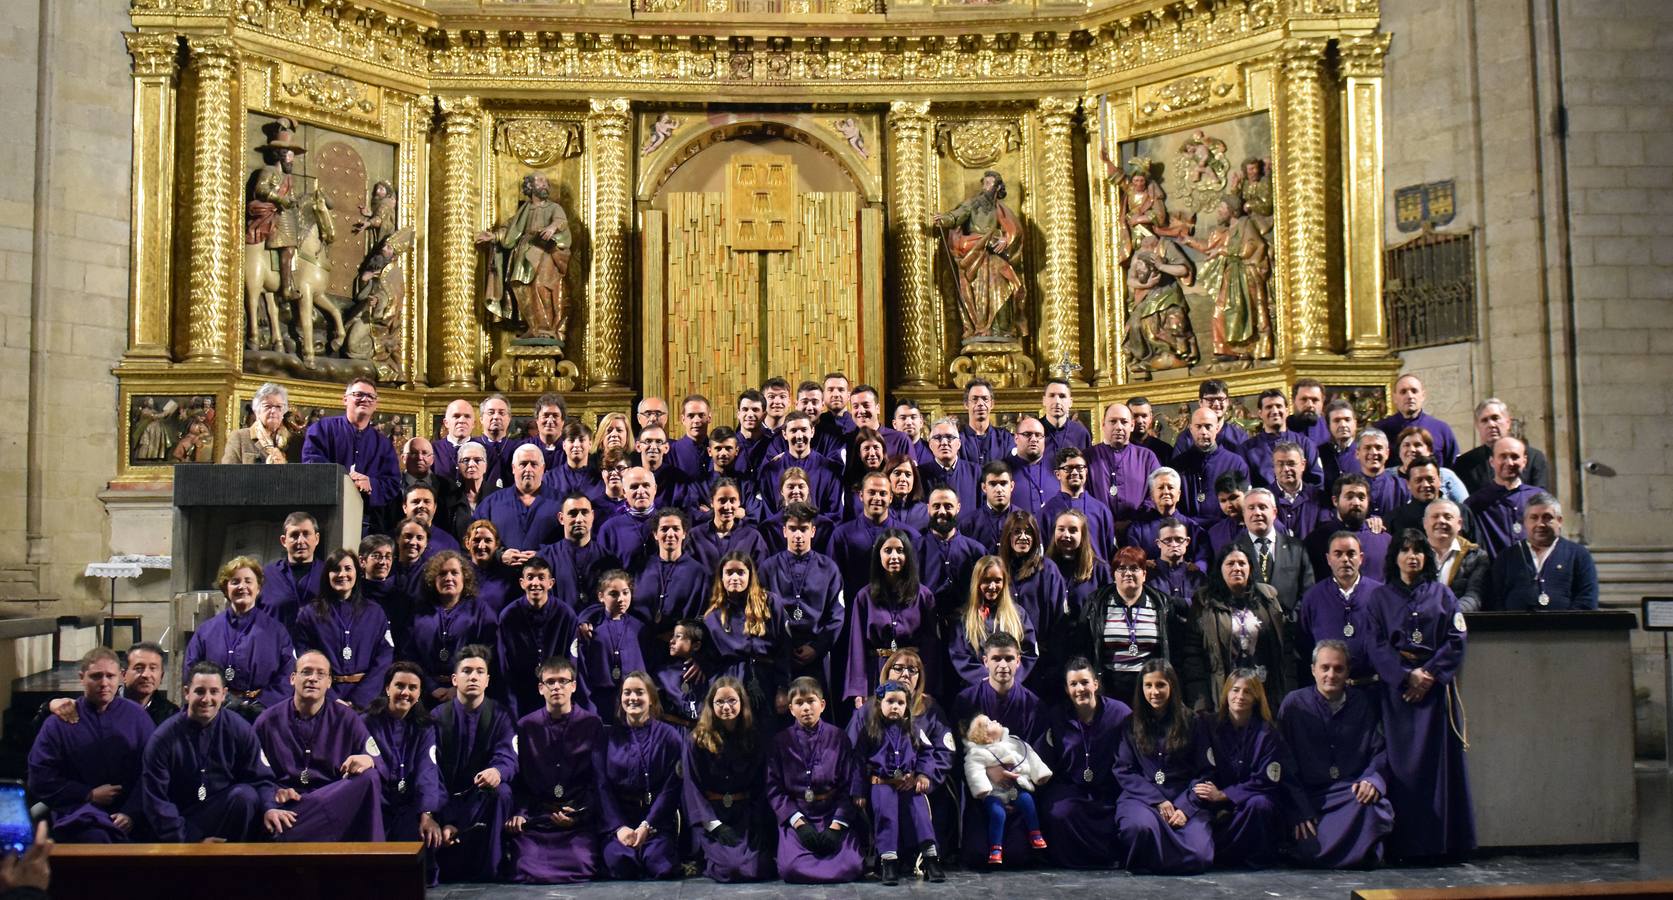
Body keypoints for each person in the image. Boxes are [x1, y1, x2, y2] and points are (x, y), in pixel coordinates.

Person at [1364, 530, 1474, 860]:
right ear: (1394, 556)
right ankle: (1403, 845)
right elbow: (1375, 644)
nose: (1412, 557)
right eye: (1405, 550)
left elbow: (1456, 638)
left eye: (1418, 551)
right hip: (1398, 695)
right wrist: (1404, 676)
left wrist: (1430, 675)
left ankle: (1438, 845)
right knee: (1400, 767)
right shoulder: (1379, 598)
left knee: (1437, 768)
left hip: (1434, 693)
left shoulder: (1443, 595)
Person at [1277, 641, 1394, 869]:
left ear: (1347, 671)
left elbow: (1379, 751)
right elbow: (1283, 764)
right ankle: (1356, 852)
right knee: (1308, 845)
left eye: (1338, 669)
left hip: (1346, 794)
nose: (1331, 675)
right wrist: (1299, 811)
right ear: (1313, 670)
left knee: (1375, 808)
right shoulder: (1293, 704)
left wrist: (1372, 780)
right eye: (1325, 668)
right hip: (1310, 798)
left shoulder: (1361, 703)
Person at [252, 650, 384, 841]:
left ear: (329, 682)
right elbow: (251, 772)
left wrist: (368, 759)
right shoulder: (267, 721)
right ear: (292, 678)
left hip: (332, 801)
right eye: (306, 672)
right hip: (289, 806)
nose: (313, 678)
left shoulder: (347, 718)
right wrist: (272, 793)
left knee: (370, 776)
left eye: (320, 674)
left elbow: (378, 761)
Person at [141, 663, 282, 842]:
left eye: (214, 692)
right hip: (181, 823)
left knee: (245, 796)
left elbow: (261, 778)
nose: (207, 699)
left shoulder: (240, 728)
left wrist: (270, 807)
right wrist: (193, 840)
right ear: (186, 692)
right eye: (200, 691)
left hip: (226, 815)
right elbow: (156, 800)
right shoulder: (163, 738)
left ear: (223, 694)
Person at [28, 648, 156, 842]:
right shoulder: (59, 722)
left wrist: (131, 812)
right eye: (96, 676)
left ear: (121, 677)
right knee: (96, 837)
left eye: (110, 676)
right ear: (82, 677)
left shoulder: (137, 717)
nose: (104, 683)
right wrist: (87, 794)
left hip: (133, 811)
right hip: (78, 813)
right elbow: (40, 776)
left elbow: (153, 769)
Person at [506, 657, 602, 884]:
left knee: (583, 863)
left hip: (576, 818)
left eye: (562, 681)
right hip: (538, 818)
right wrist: (520, 812)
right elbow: (519, 779)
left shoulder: (592, 724)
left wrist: (578, 813)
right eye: (550, 682)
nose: (557, 687)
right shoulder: (526, 726)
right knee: (524, 866)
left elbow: (598, 780)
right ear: (541, 688)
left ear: (574, 685)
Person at [1113, 659, 1213, 874]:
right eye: (1148, 686)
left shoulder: (1193, 722)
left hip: (1183, 797)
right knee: (1139, 828)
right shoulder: (1130, 723)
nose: (1154, 692)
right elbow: (1123, 769)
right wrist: (1157, 800)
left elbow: (1204, 772)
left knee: (1199, 855)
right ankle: (1161, 861)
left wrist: (1186, 808)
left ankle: (1152, 863)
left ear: (1172, 687)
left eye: (1160, 685)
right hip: (1142, 798)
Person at [432, 646, 519, 882]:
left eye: (480, 671)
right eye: (467, 671)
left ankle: (493, 867)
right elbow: (432, 772)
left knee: (502, 792)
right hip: (447, 799)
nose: (473, 676)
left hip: (480, 796)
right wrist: (446, 818)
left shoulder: (501, 714)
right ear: (454, 679)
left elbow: (509, 754)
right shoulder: (438, 717)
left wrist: (497, 771)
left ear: (488, 679)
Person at [766, 677, 863, 883]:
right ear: (791, 709)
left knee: (853, 865)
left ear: (822, 704)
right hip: (799, 814)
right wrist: (799, 824)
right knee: (790, 869)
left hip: (831, 812)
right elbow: (774, 788)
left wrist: (836, 826)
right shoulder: (780, 741)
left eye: (811, 701)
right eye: (799, 703)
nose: (806, 708)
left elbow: (849, 785)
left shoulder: (839, 737)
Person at [1037, 658, 1131, 868]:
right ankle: (1074, 862)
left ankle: (1111, 859)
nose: (1080, 689)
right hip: (1072, 787)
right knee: (1059, 813)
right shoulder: (1056, 717)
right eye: (1073, 684)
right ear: (1066, 688)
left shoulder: (1121, 714)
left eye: (1085, 682)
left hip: (1110, 788)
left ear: (1095, 684)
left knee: (1123, 815)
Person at [682, 677, 775, 883]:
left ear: (742, 703)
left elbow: (762, 784)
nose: (726, 707)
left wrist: (758, 820)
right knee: (732, 868)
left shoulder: (753, 737)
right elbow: (692, 787)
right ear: (711, 705)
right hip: (713, 817)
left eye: (732, 701)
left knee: (757, 867)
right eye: (720, 702)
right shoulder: (697, 740)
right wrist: (714, 825)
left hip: (745, 816)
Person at [593, 671, 683, 880]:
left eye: (639, 692)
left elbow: (671, 788)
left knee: (660, 865)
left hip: (656, 823)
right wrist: (619, 827)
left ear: (651, 698)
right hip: (619, 822)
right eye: (627, 693)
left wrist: (647, 825)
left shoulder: (670, 737)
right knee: (622, 864)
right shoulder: (606, 737)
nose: (632, 698)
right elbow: (601, 787)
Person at [854, 681, 946, 884]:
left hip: (908, 784)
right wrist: (859, 792)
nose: (895, 706)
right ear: (880, 703)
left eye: (900, 703)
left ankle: (931, 860)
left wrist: (922, 775)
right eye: (890, 701)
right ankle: (888, 864)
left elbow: (927, 753)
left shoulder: (913, 729)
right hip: (882, 784)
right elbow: (859, 762)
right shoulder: (869, 731)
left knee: (921, 815)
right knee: (886, 818)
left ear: (907, 706)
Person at [1180, 546, 1292, 712]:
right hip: (1224, 693)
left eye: (1242, 563)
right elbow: (1193, 657)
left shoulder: (1267, 598)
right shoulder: (1204, 603)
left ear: (1250, 568)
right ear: (1220, 569)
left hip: (1266, 692)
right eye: (1230, 563)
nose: (1237, 568)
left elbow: (1285, 649)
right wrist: (1201, 703)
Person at [1195, 670, 1285, 868]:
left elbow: (1266, 779)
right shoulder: (1208, 725)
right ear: (1226, 693)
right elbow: (1203, 765)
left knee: (1260, 804)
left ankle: (1226, 855)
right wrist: (1212, 793)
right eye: (1235, 690)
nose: (1240, 696)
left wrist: (1225, 795)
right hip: (1215, 798)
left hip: (1249, 798)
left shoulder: (1268, 732)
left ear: (1256, 697)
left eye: (1247, 692)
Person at [184, 556, 295, 712]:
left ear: (258, 588)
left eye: (248, 581)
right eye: (235, 582)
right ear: (225, 588)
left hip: (263, 713)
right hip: (216, 711)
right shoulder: (206, 631)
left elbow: (287, 676)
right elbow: (191, 671)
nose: (242, 586)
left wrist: (263, 704)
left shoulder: (277, 631)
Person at [361, 664, 445, 868]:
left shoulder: (425, 727)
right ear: (387, 688)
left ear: (419, 693)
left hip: (408, 802)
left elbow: (427, 769)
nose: (405, 693)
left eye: (412, 688)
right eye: (399, 685)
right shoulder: (366, 722)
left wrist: (427, 814)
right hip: (376, 803)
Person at [843, 530, 938, 706]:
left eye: (900, 551)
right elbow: (857, 646)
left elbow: (931, 646)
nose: (894, 556)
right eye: (888, 551)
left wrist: (927, 685)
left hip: (911, 673)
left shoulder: (924, 596)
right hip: (876, 671)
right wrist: (859, 690)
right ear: (878, 555)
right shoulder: (864, 597)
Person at [293, 548, 394, 709]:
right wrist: (331, 698)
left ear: (357, 573)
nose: (342, 574)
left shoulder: (375, 612)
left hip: (366, 702)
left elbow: (384, 658)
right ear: (327, 575)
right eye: (335, 569)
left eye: (348, 568)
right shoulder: (309, 614)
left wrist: (360, 699)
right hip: (323, 699)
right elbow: (303, 657)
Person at [1079, 546, 1183, 702]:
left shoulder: (1161, 604)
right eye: (1121, 568)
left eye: (1134, 568)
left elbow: (1174, 649)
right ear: (1114, 575)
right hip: (1109, 686)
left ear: (1144, 574)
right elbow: (1084, 647)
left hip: (1150, 687)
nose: (1128, 573)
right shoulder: (1096, 603)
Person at [759, 503, 845, 688]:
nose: (798, 535)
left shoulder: (829, 568)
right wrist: (780, 648)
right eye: (793, 529)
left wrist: (816, 648)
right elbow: (760, 612)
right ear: (784, 531)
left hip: (816, 655)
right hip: (778, 656)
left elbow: (837, 616)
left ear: (813, 531)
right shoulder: (768, 568)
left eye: (803, 529)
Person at [301, 378, 402, 526]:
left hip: (367, 520)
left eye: (370, 397)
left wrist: (370, 484)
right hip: (326, 515)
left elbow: (392, 483)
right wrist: (346, 480)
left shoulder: (384, 444)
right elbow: (311, 464)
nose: (365, 399)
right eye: (358, 394)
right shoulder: (322, 429)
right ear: (345, 400)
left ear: (376, 404)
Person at [702, 552, 791, 718]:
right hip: (729, 684)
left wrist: (783, 688)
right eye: (729, 573)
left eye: (741, 572)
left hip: (766, 679)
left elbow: (783, 649)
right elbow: (709, 660)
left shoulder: (770, 604)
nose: (735, 577)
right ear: (721, 577)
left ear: (751, 576)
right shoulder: (713, 616)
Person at [404, 551, 497, 703]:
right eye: (442, 574)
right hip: (425, 693)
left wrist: (459, 686)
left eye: (454, 573)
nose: (448, 578)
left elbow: (489, 653)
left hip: (467, 694)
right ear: (433, 579)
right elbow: (409, 654)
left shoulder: (481, 611)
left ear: (464, 577)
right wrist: (431, 686)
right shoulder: (419, 612)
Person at [962, 713, 1051, 866]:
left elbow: (1030, 755)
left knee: (1027, 800)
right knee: (997, 813)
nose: (995, 720)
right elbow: (973, 769)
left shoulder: (1014, 743)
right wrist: (981, 788)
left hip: (1016, 788)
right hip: (994, 793)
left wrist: (1040, 773)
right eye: (989, 723)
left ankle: (1035, 832)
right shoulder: (977, 752)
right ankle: (996, 848)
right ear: (985, 735)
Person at [497, 557, 581, 718]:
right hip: (521, 697)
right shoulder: (508, 616)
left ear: (551, 583)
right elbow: (503, 667)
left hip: (557, 695)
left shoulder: (566, 615)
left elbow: (573, 662)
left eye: (541, 577)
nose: (535, 583)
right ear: (522, 583)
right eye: (530, 577)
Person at [1488, 493, 1599, 611]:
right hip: (1516, 628)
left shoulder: (1579, 555)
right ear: (1525, 522)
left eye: (1547, 517)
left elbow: (1587, 599)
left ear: (1559, 521)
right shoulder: (1506, 557)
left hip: (1566, 628)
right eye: (1534, 517)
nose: (1540, 524)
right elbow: (1495, 599)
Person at [1295, 532, 1380, 683]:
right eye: (1338, 554)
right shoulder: (1313, 597)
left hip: (1372, 688)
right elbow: (1305, 643)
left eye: (1351, 554)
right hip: (1328, 688)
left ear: (1361, 558)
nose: (1345, 559)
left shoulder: (1380, 594)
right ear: (1328, 559)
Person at [39, 642, 177, 729]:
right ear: (123, 674)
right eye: (139, 668)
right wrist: (49, 705)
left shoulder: (171, 715)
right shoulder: (101, 700)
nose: (146, 674)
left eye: (153, 668)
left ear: (162, 676)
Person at [948, 556, 1038, 688]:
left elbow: (1029, 652)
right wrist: (991, 681)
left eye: (997, 581)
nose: (992, 586)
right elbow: (960, 656)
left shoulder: (1018, 615)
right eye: (986, 581)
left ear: (1004, 582)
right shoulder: (963, 618)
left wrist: (1010, 680)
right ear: (977, 582)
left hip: (1012, 687)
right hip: (977, 689)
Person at [1235, 488, 1315, 619]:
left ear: (1274, 512)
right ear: (1243, 515)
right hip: (1249, 631)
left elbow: (1308, 592)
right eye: (1251, 508)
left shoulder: (1296, 548)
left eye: (1262, 507)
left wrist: (1292, 621)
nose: (1257, 513)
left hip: (1291, 630)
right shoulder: (1233, 550)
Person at [1304, 473, 1391, 585]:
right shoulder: (1316, 540)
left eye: (1361, 497)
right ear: (1335, 501)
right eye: (1349, 497)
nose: (1356, 503)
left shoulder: (1385, 540)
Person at [475, 444, 562, 551]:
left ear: (543, 468)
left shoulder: (562, 503)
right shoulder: (491, 504)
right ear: (513, 468)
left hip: (547, 567)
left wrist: (543, 556)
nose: (528, 469)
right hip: (501, 567)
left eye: (534, 464)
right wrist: (499, 555)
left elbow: (571, 542)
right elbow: (474, 539)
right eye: (523, 464)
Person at [1455, 398, 1551, 496]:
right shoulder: (1465, 463)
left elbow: (1541, 498)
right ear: (1478, 426)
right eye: (1484, 420)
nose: (1491, 424)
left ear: (1508, 422)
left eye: (1495, 418)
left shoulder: (1534, 457)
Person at [1466, 437, 1542, 559]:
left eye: (1515, 457)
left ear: (1524, 461)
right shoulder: (1475, 504)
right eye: (1503, 456)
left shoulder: (1539, 498)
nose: (1509, 463)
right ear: (1491, 461)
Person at [1173, 407, 1252, 525]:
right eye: (1198, 426)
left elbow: (1245, 503)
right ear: (1190, 429)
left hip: (1225, 532)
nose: (1203, 431)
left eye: (1208, 426)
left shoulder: (1236, 463)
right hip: (1188, 531)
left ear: (1217, 428)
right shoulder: (1177, 464)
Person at [1085, 402, 1161, 523]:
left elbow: (1157, 493)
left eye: (1124, 422)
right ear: (1103, 424)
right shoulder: (1087, 457)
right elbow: (1081, 495)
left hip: (1138, 527)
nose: (1119, 427)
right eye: (1113, 421)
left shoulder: (1146, 457)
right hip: (1097, 527)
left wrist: (1135, 520)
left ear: (1132, 425)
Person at [1041, 449, 1116, 561]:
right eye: (1068, 468)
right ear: (1057, 474)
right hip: (1060, 577)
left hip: (1096, 576)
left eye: (1079, 468)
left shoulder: (1101, 511)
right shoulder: (1046, 513)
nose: (1075, 472)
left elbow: (1109, 552)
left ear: (1086, 471)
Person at [1242, 389, 1321, 491]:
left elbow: (1317, 482)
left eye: (1279, 406)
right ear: (1260, 413)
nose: (1275, 411)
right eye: (1269, 407)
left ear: (1287, 411)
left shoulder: (1305, 444)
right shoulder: (1247, 449)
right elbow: (1245, 487)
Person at [1377, 375, 1461, 468]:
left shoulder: (1441, 429)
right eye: (1403, 392)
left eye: (1414, 391)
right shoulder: (1380, 430)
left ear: (1423, 395)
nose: (1409, 396)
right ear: (1394, 398)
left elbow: (1455, 466)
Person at [259, 512, 322, 635]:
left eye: (306, 534)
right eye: (294, 535)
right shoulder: (265, 576)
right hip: (275, 651)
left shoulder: (329, 575)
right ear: (283, 541)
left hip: (317, 652)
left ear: (317, 538)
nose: (300, 541)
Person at [1427, 500, 1491, 613]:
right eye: (1435, 516)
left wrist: (1447, 613)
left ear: (1459, 524)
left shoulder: (1476, 556)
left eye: (1448, 517)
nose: (1441, 521)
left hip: (1460, 624)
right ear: (1424, 523)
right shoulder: (1413, 554)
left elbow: (1474, 596)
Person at [1049, 508, 1112, 614]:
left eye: (1073, 530)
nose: (1066, 535)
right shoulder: (1044, 569)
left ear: (1083, 535)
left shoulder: (1100, 570)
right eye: (1061, 529)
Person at [223, 382, 300, 464]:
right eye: (267, 406)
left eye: (278, 406)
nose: (273, 411)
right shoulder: (239, 437)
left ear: (284, 412)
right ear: (257, 411)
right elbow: (228, 474)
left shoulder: (296, 441)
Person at [1171, 380, 1252, 453]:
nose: (1216, 404)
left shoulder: (1240, 437)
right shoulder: (1186, 439)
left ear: (1227, 402)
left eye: (1220, 399)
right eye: (1210, 399)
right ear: (1200, 402)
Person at [1393, 427, 1468, 504]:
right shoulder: (1388, 476)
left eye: (1417, 445)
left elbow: (1465, 507)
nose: (1412, 449)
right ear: (1399, 451)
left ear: (1430, 450)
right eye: (1406, 445)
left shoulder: (1446, 476)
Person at [920, 418, 981, 512]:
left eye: (949, 437)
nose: (944, 443)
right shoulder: (920, 474)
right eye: (937, 438)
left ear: (959, 444)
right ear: (930, 445)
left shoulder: (976, 472)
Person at [1149, 517, 1208, 609]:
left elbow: (1204, 605)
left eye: (1179, 539)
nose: (1174, 544)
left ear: (1187, 541)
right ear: (1158, 543)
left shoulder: (1197, 576)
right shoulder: (1148, 574)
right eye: (1168, 540)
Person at [958, 379, 1014, 468]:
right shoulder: (957, 439)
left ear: (992, 404)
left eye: (985, 399)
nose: (980, 403)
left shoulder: (1005, 438)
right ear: (966, 404)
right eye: (974, 399)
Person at [1007, 417, 1056, 518]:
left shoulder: (1057, 468)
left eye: (1038, 435)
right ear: (1016, 438)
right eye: (1027, 434)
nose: (1033, 439)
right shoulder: (1003, 469)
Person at [1354, 428, 1409, 518]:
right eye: (1367, 448)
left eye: (1378, 448)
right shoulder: (1347, 486)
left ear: (1387, 453)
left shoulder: (1402, 486)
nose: (1373, 452)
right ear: (1357, 454)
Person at [1319, 399, 1362, 491]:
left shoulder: (1365, 451)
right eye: (1337, 421)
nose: (1343, 425)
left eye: (1347, 420)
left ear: (1355, 423)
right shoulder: (1319, 453)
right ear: (1328, 425)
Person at [1040, 379, 1090, 457]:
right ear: (1044, 400)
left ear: (1070, 402)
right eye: (1052, 395)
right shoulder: (1034, 431)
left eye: (1062, 396)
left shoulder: (1081, 433)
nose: (1057, 401)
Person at [1127, 396, 1175, 465]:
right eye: (1135, 416)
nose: (1140, 421)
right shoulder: (1119, 449)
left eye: (1144, 416)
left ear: (1150, 418)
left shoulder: (1165, 450)